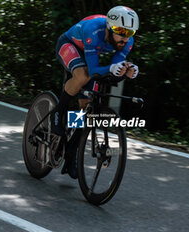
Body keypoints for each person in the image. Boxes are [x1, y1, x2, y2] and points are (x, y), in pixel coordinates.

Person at [52, 6, 140, 179]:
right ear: (109, 27)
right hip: (69, 45)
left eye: (129, 32)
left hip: (91, 55)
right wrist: (113, 68)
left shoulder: (127, 42)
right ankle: (58, 111)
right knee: (83, 75)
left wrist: (126, 71)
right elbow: (93, 70)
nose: (124, 37)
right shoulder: (93, 29)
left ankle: (71, 151)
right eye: (119, 31)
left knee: (87, 108)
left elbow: (113, 71)